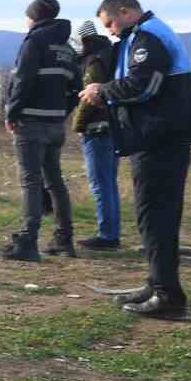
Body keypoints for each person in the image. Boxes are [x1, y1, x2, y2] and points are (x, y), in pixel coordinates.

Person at [79, 0, 191, 318]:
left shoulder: (148, 38)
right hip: (157, 138)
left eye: (111, 23)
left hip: (160, 139)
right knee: (153, 218)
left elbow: (144, 85)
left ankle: (168, 296)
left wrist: (100, 91)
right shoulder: (141, 35)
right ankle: (158, 283)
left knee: (157, 216)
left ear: (126, 11)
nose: (111, 31)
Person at [1, 0, 80, 261]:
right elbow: (76, 89)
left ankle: (27, 242)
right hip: (55, 124)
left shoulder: (34, 41)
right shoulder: (67, 48)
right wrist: (61, 113)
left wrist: (12, 112)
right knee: (55, 181)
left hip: (30, 123)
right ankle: (64, 239)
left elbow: (23, 79)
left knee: (31, 181)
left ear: (33, 17)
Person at [72, 19, 121, 250]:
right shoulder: (110, 54)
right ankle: (111, 232)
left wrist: (78, 125)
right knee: (109, 182)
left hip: (97, 128)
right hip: (112, 126)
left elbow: (88, 98)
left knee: (100, 184)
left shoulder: (93, 61)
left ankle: (108, 235)